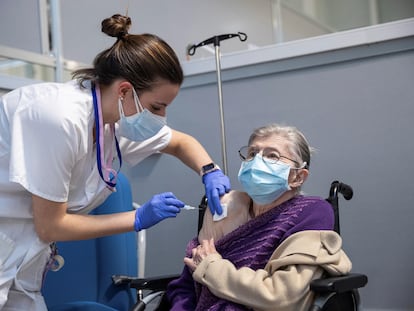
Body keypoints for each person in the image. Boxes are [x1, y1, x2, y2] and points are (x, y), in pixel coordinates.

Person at [0, 14, 230, 310]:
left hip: (22, 262)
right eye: (156, 107)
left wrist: (209, 170)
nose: (160, 118)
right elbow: (50, 225)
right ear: (124, 90)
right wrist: (137, 219)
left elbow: (179, 142)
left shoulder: (113, 122)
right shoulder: (59, 117)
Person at [166, 123, 352, 311]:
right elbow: (188, 281)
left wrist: (211, 267)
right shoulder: (226, 208)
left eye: (272, 156)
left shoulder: (311, 213)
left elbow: (281, 296)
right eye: (253, 154)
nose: (257, 162)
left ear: (298, 177)